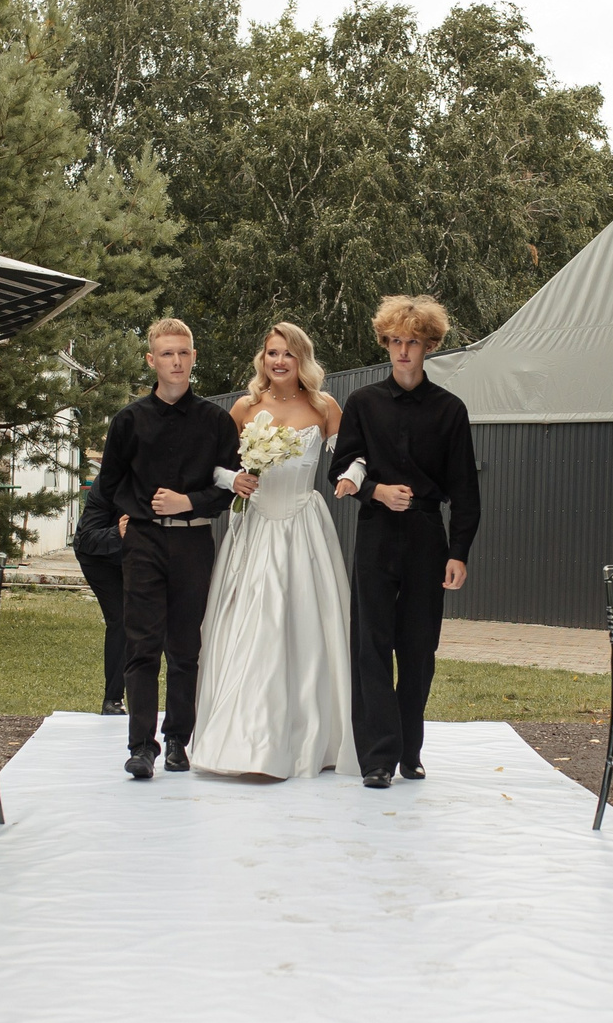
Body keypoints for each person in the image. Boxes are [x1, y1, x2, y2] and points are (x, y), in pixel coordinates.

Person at [192, 322, 358, 778]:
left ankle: (312, 736)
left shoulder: (325, 407)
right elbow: (213, 465)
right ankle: (246, 738)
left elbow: (348, 457)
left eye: (287, 353)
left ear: (301, 359)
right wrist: (234, 480)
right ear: (262, 359)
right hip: (255, 526)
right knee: (252, 624)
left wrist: (351, 476)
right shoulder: (246, 407)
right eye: (271, 353)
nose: (278, 361)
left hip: (304, 525)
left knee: (306, 624)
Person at [331, 296, 482, 788]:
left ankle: (409, 750)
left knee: (418, 648)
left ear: (429, 346)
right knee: (370, 644)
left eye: (412, 342)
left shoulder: (450, 410)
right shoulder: (361, 404)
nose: (402, 351)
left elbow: (464, 488)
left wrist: (459, 551)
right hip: (375, 532)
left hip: (426, 537)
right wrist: (375, 489)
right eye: (395, 341)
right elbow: (342, 468)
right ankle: (377, 756)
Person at [93, 319, 241, 778]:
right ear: (151, 360)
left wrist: (187, 502)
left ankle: (179, 740)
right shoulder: (129, 420)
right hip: (143, 540)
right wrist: (131, 514)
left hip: (195, 539)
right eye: (167, 354)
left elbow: (230, 487)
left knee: (185, 647)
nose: (176, 362)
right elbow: (109, 482)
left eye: (183, 353)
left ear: (193, 357)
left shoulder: (216, 421)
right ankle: (141, 746)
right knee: (141, 644)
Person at [74, 476, 130, 715]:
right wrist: (118, 533)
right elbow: (87, 538)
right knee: (122, 618)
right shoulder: (107, 482)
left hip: (139, 557)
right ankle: (113, 699)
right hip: (98, 558)